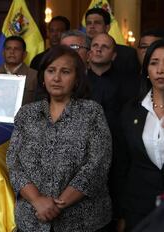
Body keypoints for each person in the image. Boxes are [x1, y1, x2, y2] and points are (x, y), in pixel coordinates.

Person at [7, 45, 112, 231]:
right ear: (43, 77)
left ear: (77, 78)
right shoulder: (26, 114)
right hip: (32, 219)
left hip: (82, 221)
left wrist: (57, 205)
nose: (56, 78)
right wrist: (37, 201)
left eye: (65, 72)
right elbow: (14, 163)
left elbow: (97, 164)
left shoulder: (92, 112)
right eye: (51, 71)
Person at [115, 39, 164, 232]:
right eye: (154, 63)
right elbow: (122, 165)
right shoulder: (131, 110)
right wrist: (121, 213)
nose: (161, 70)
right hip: (139, 208)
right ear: (146, 70)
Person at [85, 8, 139, 80]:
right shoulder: (82, 50)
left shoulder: (127, 54)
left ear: (107, 27)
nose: (92, 26)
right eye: (89, 23)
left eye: (97, 23)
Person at [0, 36, 38, 104]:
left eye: (16, 49)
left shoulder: (34, 76)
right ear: (3, 53)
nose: (12, 52)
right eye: (8, 48)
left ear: (24, 54)